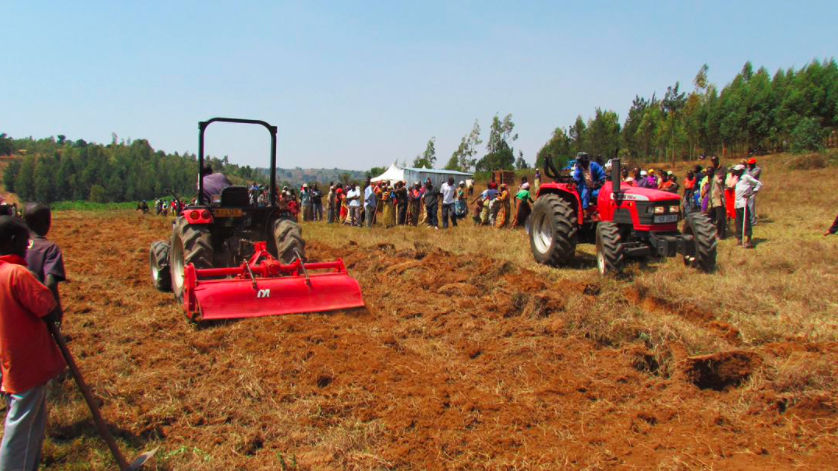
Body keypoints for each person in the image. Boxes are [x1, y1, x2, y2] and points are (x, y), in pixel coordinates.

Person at [0, 216, 66, 471]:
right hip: (27, 360)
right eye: (26, 242)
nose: (29, 247)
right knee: (21, 425)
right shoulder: (18, 274)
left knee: (33, 419)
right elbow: (47, 307)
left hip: (9, 357)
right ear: (14, 241)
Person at [22, 204, 66, 324]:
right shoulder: (49, 248)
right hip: (38, 311)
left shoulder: (14, 243)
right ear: (47, 221)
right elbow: (50, 283)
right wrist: (56, 310)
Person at [733, 164, 762, 248]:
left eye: (737, 171)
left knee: (746, 222)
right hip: (737, 204)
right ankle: (739, 238)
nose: (735, 172)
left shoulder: (746, 177)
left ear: (741, 171)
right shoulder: (737, 179)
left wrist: (752, 193)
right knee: (738, 222)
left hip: (744, 203)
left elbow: (758, 184)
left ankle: (748, 240)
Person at [701, 166, 726, 239]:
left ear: (713, 172)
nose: (708, 173)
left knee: (720, 219)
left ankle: (721, 235)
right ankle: (712, 233)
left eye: (710, 172)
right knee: (710, 218)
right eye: (707, 172)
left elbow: (721, 185)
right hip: (711, 202)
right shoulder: (709, 180)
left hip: (718, 201)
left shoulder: (716, 179)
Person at [747, 158, 761, 226]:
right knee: (747, 204)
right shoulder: (748, 169)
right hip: (747, 187)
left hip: (753, 188)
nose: (749, 165)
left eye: (751, 164)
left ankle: (752, 221)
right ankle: (748, 219)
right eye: (749, 164)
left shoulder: (757, 169)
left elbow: (751, 176)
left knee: (751, 205)